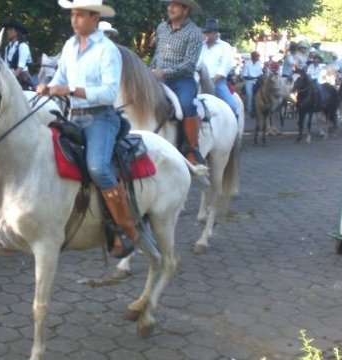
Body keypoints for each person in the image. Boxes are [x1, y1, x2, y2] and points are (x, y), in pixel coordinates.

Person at [36, 0, 142, 259]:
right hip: (73, 116)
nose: (74, 19)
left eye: (80, 15)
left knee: (97, 167)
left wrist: (71, 90)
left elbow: (108, 93)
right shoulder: (69, 46)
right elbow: (60, 77)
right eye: (72, 14)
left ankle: (127, 229)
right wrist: (47, 86)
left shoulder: (108, 51)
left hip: (101, 118)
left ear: (95, 18)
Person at [150, 0, 205, 167]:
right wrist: (152, 68)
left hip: (182, 79)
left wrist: (164, 72)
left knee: (187, 105)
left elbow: (189, 64)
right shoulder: (161, 27)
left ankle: (192, 149)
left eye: (175, 5)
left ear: (185, 9)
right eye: (169, 5)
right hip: (158, 76)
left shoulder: (194, 32)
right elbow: (158, 53)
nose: (170, 8)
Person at [199, 18, 239, 118]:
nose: (206, 35)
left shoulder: (225, 47)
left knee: (233, 106)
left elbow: (224, 68)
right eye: (205, 32)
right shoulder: (200, 46)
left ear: (216, 33)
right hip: (199, 81)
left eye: (209, 32)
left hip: (217, 82)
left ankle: (235, 127)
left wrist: (211, 81)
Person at [3, 19, 34, 90]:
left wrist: (10, 80)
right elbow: (6, 65)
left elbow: (20, 67)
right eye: (7, 30)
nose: (8, 31)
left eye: (10, 30)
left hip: (22, 78)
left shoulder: (23, 46)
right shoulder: (7, 47)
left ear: (17, 31)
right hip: (10, 75)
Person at [241, 51, 263, 117]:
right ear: (253, 57)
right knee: (249, 95)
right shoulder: (247, 64)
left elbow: (261, 73)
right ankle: (249, 110)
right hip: (249, 81)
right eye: (257, 56)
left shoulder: (259, 63)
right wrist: (254, 77)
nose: (258, 58)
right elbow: (245, 76)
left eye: (258, 57)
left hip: (257, 81)